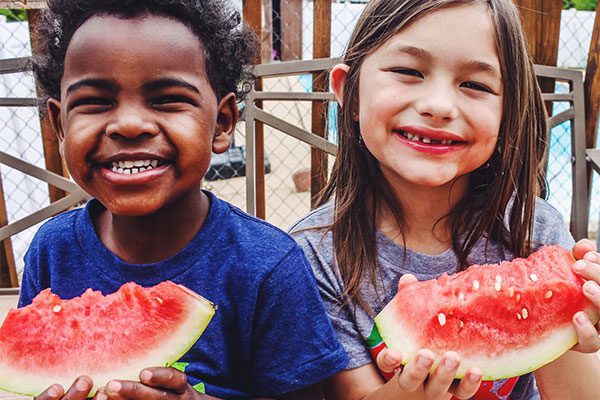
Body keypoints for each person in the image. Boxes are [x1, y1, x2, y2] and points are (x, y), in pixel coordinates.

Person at [20, 0, 348, 399]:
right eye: (94, 102)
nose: (129, 124)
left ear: (222, 124)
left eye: (167, 99)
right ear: (60, 124)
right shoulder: (51, 251)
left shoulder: (269, 266)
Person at [289, 0, 600, 399]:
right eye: (407, 71)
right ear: (348, 92)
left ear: (507, 113)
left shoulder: (536, 228)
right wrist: (413, 390)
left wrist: (566, 319)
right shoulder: (313, 257)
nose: (438, 106)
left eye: (475, 85)